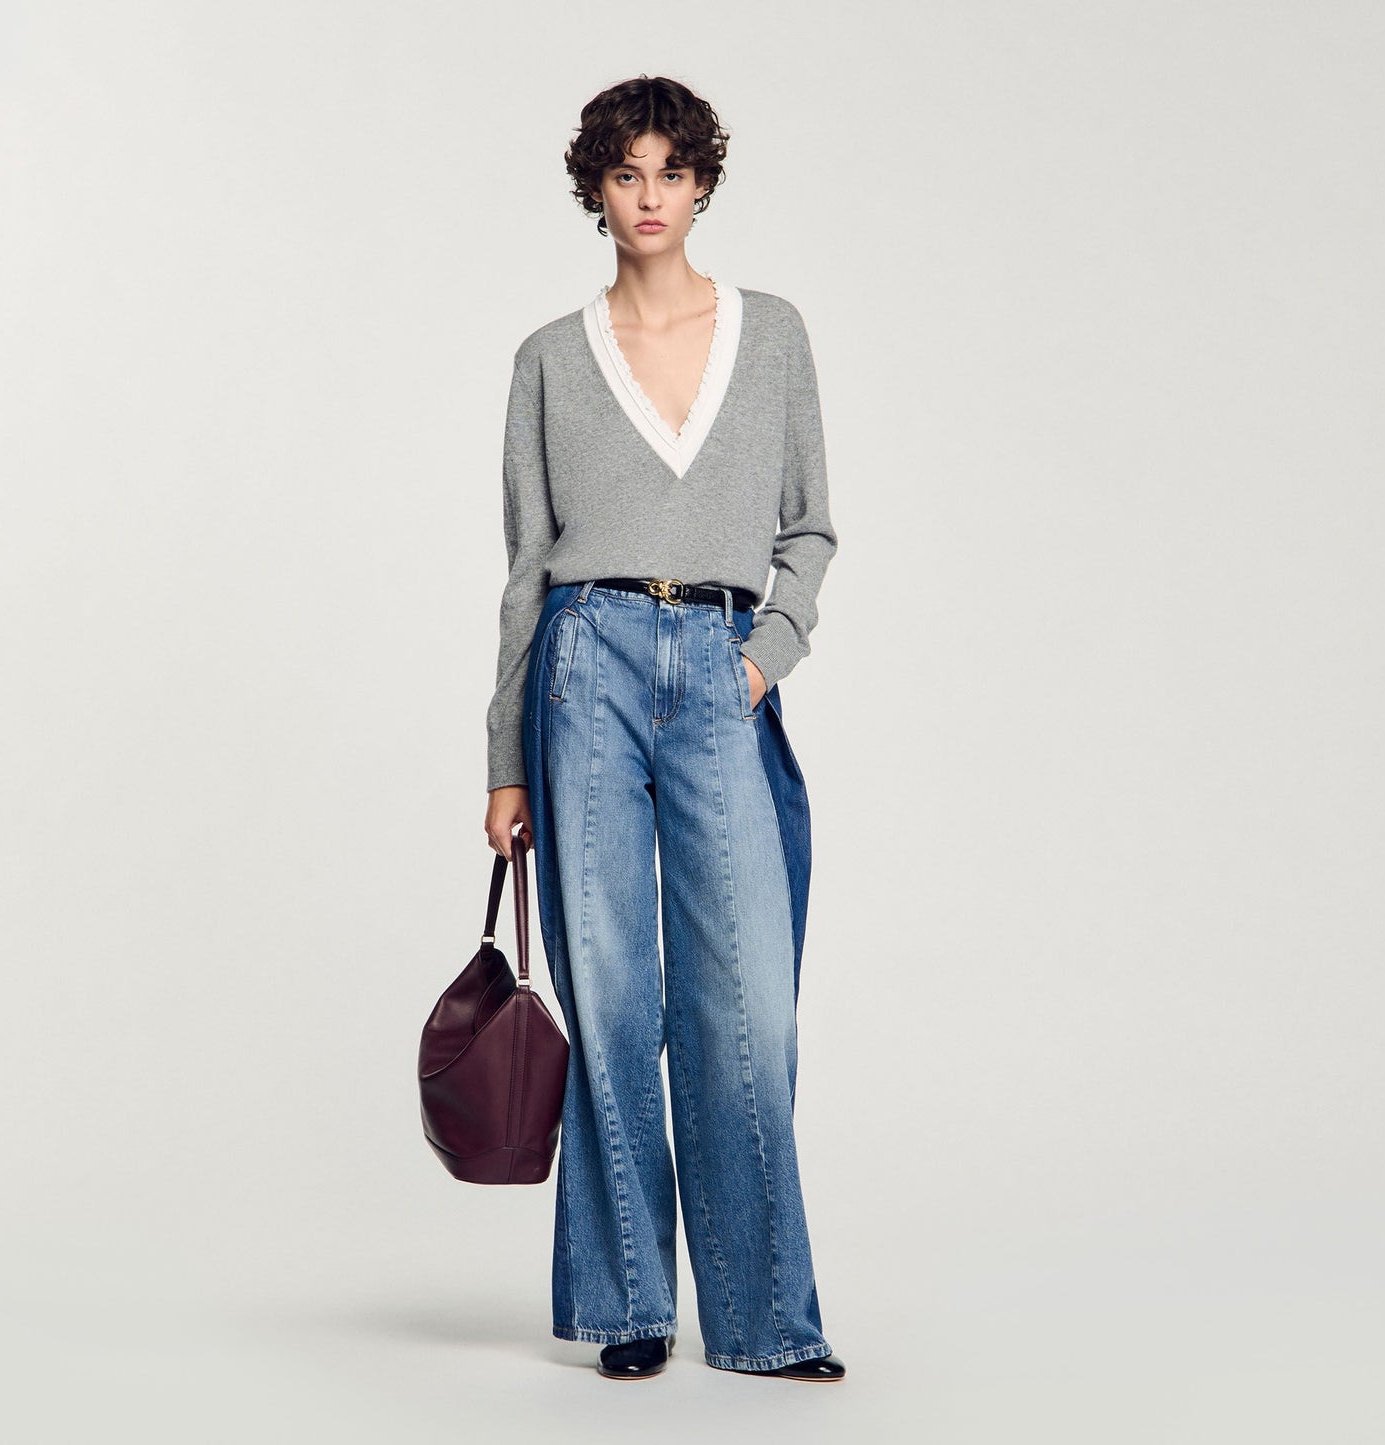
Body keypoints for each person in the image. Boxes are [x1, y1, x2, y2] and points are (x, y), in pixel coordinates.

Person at [482, 75, 844, 1383]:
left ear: (701, 185)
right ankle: (631, 1300)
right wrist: (504, 759)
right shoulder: (547, 358)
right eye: (626, 173)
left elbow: (808, 529)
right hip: (582, 666)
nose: (649, 197)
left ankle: (763, 1318)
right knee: (611, 992)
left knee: (744, 1000)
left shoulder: (773, 335)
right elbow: (526, 571)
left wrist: (760, 662)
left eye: (671, 173)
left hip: (717, 657)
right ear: (596, 187)